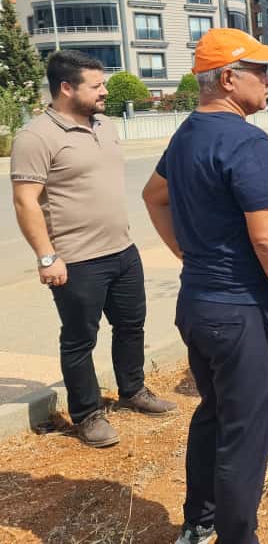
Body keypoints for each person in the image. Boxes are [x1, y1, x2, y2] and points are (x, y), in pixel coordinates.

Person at [141, 28, 268, 544]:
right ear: (227, 79)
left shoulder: (188, 132)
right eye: (261, 71)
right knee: (247, 434)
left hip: (200, 304)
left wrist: (189, 253)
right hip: (245, 311)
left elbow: (154, 196)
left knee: (215, 415)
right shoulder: (248, 141)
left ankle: (198, 523)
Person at [10, 50, 176, 449]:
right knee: (80, 339)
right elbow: (25, 202)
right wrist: (47, 256)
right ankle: (87, 414)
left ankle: (133, 390)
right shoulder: (36, 137)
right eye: (96, 85)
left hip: (122, 249)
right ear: (66, 88)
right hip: (76, 259)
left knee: (131, 326)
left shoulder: (105, 125)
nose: (104, 91)